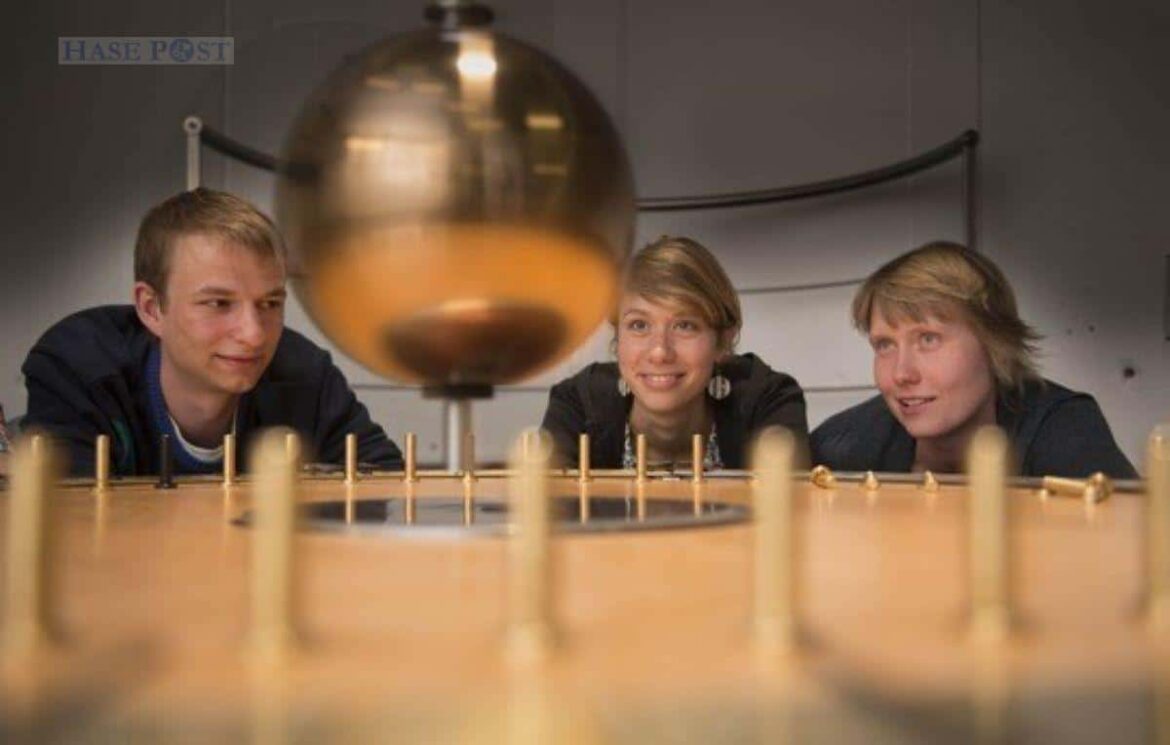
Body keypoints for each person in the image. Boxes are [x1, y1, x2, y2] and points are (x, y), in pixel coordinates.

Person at [22, 188, 402, 477]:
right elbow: (66, 530)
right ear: (151, 308)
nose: (254, 335)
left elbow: (386, 485)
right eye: (219, 304)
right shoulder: (77, 368)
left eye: (270, 303)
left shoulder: (306, 375)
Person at [811, 241, 1136, 478]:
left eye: (928, 339)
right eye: (884, 345)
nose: (902, 373)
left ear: (995, 343)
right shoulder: (840, 444)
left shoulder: (1064, 430)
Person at [541, 235, 808, 470]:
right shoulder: (577, 404)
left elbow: (789, 514)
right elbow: (548, 516)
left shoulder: (768, 399)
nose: (659, 352)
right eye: (639, 325)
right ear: (618, 337)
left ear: (723, 341)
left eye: (685, 325)